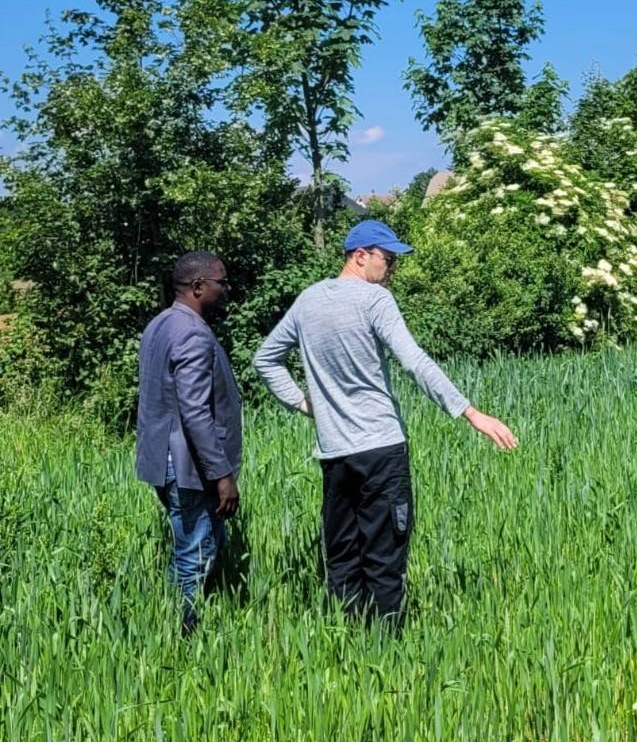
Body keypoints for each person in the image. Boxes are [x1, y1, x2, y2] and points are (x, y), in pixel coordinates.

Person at [253, 219, 517, 625]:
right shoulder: (375, 299)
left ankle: (348, 640)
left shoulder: (307, 301)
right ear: (360, 256)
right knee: (384, 558)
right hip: (381, 449)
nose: (392, 269)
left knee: (342, 557)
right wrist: (470, 413)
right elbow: (415, 362)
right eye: (388, 260)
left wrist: (308, 406)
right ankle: (386, 644)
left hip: (335, 454)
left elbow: (265, 360)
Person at [136, 251, 241, 632]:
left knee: (198, 545)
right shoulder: (193, 333)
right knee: (196, 553)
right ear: (198, 286)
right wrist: (222, 474)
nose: (226, 289)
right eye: (221, 282)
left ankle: (180, 624)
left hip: (162, 460)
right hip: (187, 466)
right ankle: (185, 634)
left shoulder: (160, 324)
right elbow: (195, 412)